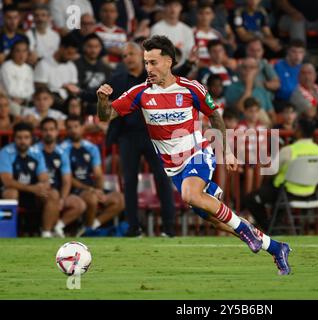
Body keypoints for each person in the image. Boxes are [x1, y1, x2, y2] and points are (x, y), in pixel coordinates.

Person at [96, 35, 291, 275]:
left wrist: (227, 150)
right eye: (146, 62)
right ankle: (276, 247)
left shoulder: (191, 88)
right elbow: (106, 116)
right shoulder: (140, 93)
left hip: (198, 154)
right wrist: (102, 100)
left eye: (153, 62)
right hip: (174, 168)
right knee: (213, 217)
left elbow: (215, 116)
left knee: (191, 194)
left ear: (169, 61)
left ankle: (244, 229)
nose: (148, 68)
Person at [105, 41, 176, 237]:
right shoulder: (118, 79)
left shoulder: (155, 76)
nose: (128, 58)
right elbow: (103, 96)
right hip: (128, 136)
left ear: (141, 57)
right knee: (129, 182)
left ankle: (169, 228)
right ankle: (133, 228)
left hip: (155, 135)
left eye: (131, 55)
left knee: (163, 179)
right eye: (125, 56)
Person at [244, 117, 318, 231]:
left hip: (286, 191)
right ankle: (275, 224)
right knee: (275, 197)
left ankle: (270, 228)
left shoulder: (290, 150)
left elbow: (271, 170)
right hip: (311, 192)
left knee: (250, 199)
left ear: (299, 131)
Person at [60, 115, 125, 236]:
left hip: (91, 188)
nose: (73, 130)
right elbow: (67, 178)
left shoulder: (91, 148)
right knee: (92, 198)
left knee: (120, 199)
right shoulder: (62, 149)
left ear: (82, 128)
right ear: (66, 130)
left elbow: (98, 174)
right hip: (73, 189)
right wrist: (91, 190)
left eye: (76, 126)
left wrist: (99, 190)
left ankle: (90, 227)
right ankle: (88, 231)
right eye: (69, 127)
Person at [0, 122, 59, 237]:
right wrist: (32, 188)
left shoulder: (36, 154)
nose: (23, 141)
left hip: (32, 193)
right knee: (11, 193)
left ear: (31, 139)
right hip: (13, 191)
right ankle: (9, 233)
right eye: (19, 138)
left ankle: (46, 233)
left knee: (53, 194)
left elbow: (44, 177)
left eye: (26, 137)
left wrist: (43, 186)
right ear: (14, 138)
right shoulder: (5, 153)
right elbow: (7, 181)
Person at [35, 117, 86, 237]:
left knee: (79, 204)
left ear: (57, 132)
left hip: (57, 192)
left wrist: (63, 199)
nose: (48, 133)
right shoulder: (34, 151)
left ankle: (57, 227)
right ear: (41, 132)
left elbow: (67, 180)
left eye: (52, 129)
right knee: (53, 195)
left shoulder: (62, 152)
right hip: (38, 192)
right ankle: (46, 233)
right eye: (45, 130)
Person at [274, 39, 305, 103]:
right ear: (288, 52)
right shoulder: (278, 66)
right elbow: (284, 90)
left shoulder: (303, 68)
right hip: (282, 101)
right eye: (294, 52)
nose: (297, 55)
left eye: (300, 52)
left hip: (301, 100)